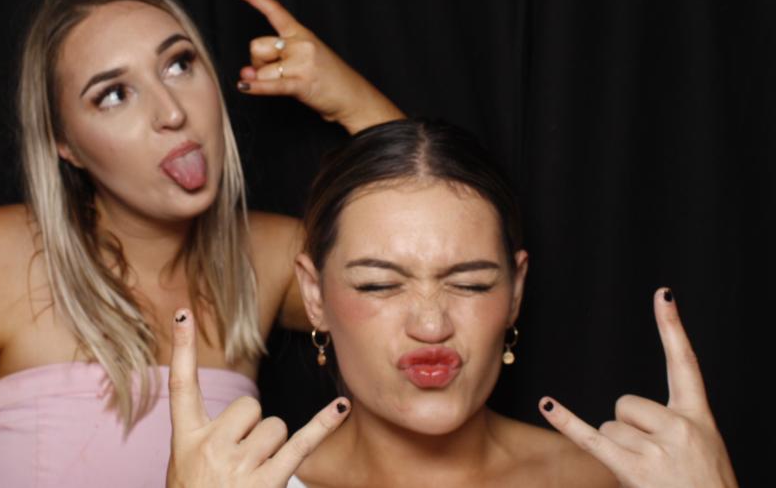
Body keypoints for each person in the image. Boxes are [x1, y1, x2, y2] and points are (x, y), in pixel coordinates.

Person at [0, 0, 403, 488]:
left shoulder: (262, 260)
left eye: (179, 65)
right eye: (113, 95)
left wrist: (350, 102)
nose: (171, 112)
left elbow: (440, 266)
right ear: (65, 144)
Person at [166, 119, 738, 487]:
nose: (431, 324)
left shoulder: (620, 481)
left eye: (470, 284)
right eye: (380, 285)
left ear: (515, 291)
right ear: (315, 295)